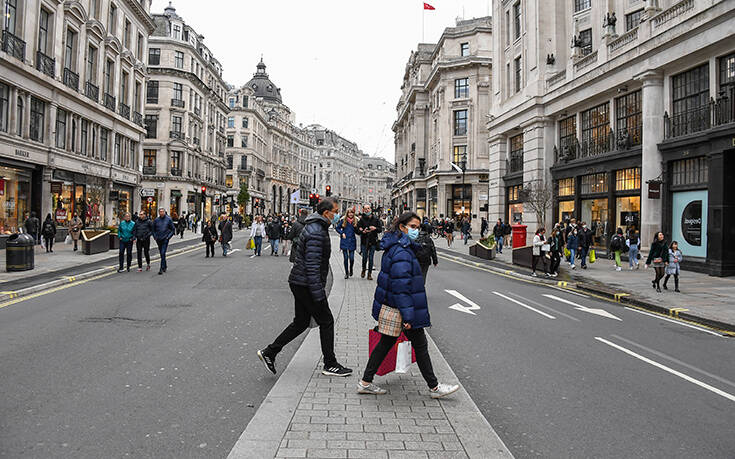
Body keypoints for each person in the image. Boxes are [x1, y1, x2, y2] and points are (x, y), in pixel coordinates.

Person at [357, 211, 460, 398]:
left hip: (394, 307)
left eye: (418, 227)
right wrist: (408, 316)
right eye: (412, 227)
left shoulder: (398, 246)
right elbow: (401, 287)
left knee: (386, 344)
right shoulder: (402, 251)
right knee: (420, 346)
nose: (416, 230)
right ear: (402, 227)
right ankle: (434, 387)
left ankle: (365, 381)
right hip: (400, 310)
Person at [257, 197, 352, 377]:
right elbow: (313, 265)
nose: (338, 214)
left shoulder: (316, 226)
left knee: (300, 323)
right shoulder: (317, 231)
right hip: (306, 284)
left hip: (300, 282)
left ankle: (270, 352)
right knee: (326, 321)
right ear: (326, 213)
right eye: (336, 211)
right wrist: (318, 294)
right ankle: (330, 364)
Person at [356, 205, 383, 280]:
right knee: (364, 257)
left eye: (368, 208)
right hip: (364, 241)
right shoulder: (361, 219)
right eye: (365, 209)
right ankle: (364, 269)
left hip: (373, 241)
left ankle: (369, 273)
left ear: (370, 209)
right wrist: (362, 230)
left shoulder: (376, 219)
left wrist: (375, 228)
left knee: (371, 258)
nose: (367, 210)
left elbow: (380, 229)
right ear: (363, 210)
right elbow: (357, 230)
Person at [335, 208, 358, 279]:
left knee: (351, 258)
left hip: (352, 241)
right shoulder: (343, 221)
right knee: (345, 258)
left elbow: (357, 230)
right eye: (349, 213)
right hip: (344, 240)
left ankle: (351, 268)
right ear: (347, 213)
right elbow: (337, 228)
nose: (350, 214)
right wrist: (342, 233)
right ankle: (346, 273)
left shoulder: (355, 221)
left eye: (352, 213)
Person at [153, 208, 176, 275]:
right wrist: (155, 236)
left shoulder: (168, 219)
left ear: (164, 212)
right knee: (161, 253)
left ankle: (161, 268)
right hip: (158, 239)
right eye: (160, 212)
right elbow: (153, 229)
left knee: (163, 253)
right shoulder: (156, 220)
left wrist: (168, 237)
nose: (161, 213)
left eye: (162, 212)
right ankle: (165, 266)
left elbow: (172, 229)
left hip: (165, 239)